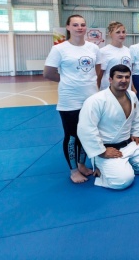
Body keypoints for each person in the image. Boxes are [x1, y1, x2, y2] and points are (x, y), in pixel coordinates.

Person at [77, 65, 139, 189]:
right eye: (119, 77)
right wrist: (101, 151)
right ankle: (103, 169)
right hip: (107, 149)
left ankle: (121, 166)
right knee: (123, 181)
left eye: (127, 77)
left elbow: (136, 117)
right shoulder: (96, 100)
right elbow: (86, 129)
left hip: (128, 144)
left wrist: (136, 134)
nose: (123, 80)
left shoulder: (132, 96)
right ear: (110, 79)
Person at [44, 14, 101, 183]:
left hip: (90, 97)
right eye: (75, 25)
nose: (79, 27)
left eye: (82, 24)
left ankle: (82, 164)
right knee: (72, 136)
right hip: (70, 99)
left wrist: (88, 83)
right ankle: (74, 170)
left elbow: (98, 70)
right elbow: (48, 73)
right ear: (68, 27)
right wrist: (69, 81)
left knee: (86, 133)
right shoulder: (60, 49)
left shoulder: (93, 48)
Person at [98, 21, 132, 91]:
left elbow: (129, 71)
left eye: (123, 32)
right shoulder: (104, 51)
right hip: (109, 89)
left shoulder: (128, 50)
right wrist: (97, 89)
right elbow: (99, 74)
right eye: (118, 32)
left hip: (125, 89)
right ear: (110, 34)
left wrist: (133, 88)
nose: (121, 35)